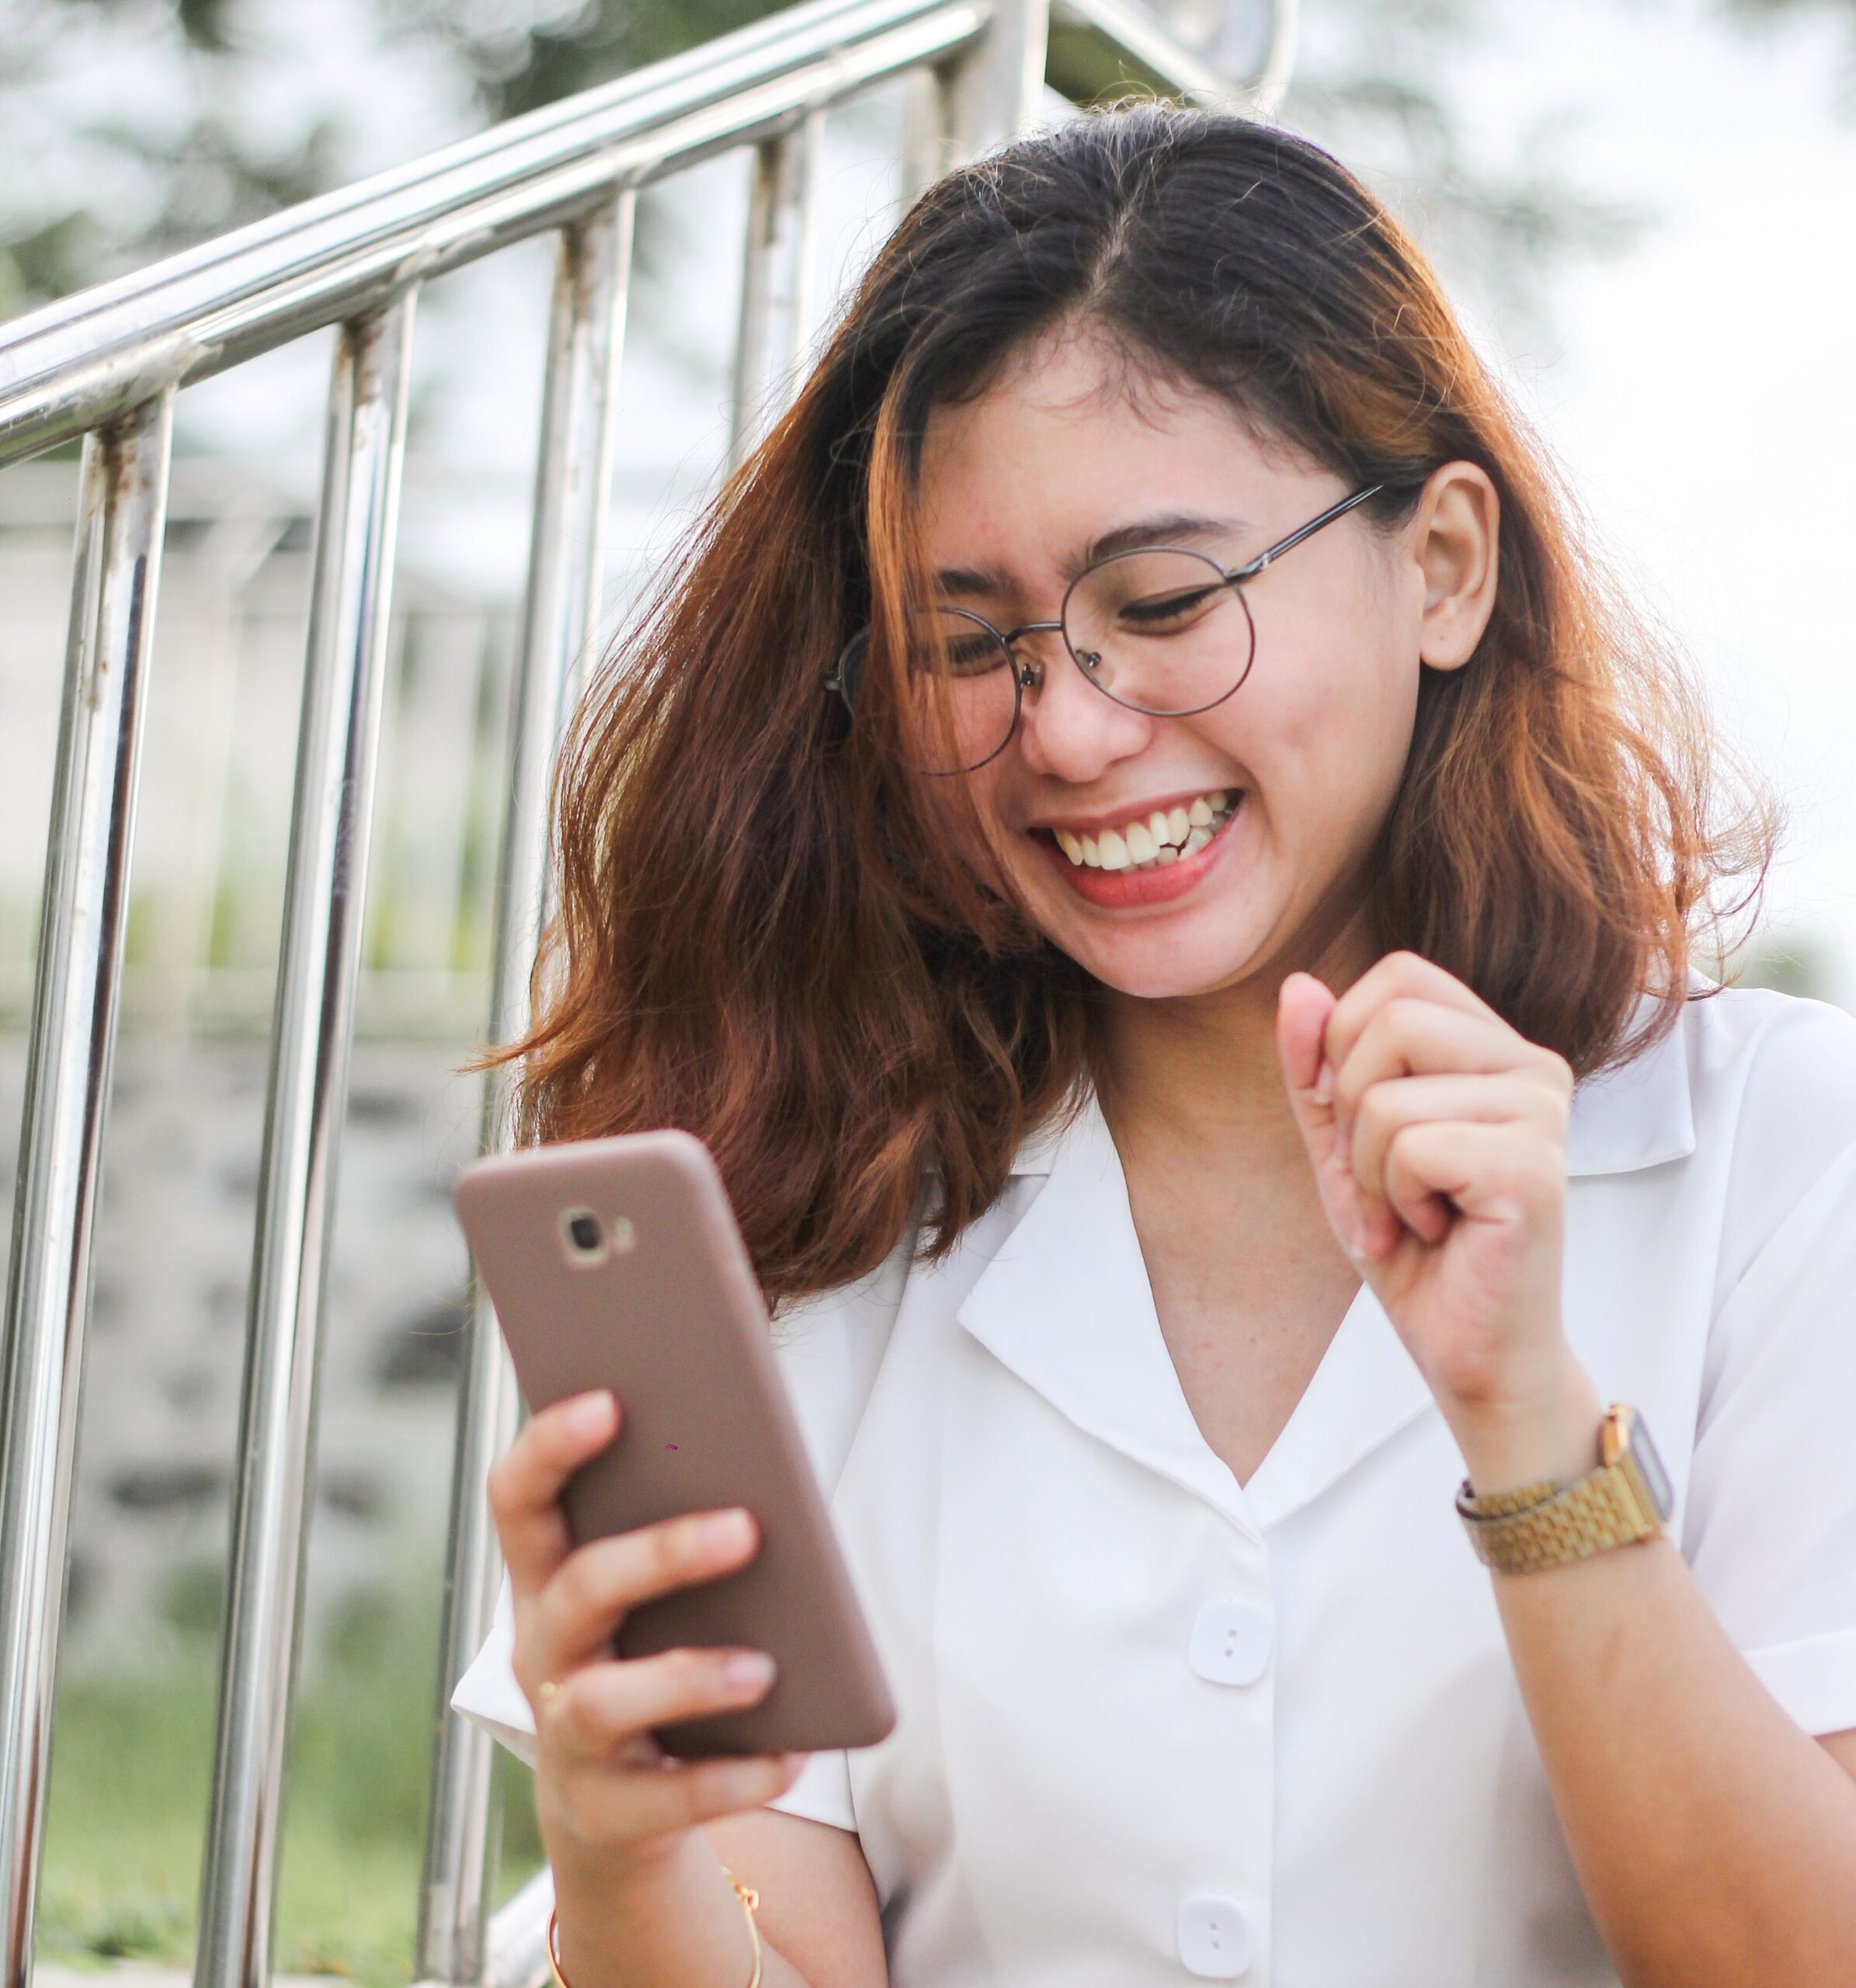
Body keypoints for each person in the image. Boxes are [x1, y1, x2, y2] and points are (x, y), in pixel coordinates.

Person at [450, 104, 1856, 1986]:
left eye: (1166, 603)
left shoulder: (1781, 1155)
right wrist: (623, 1865)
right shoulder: (800, 1192)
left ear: (1443, 564)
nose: (1068, 730)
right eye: (974, 643)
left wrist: (1529, 1424)